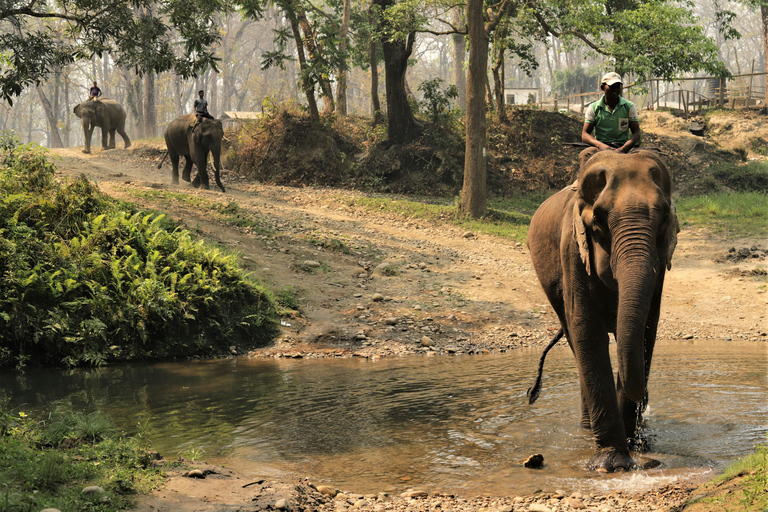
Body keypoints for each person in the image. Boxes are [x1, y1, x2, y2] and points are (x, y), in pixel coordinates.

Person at [582, 72, 640, 153]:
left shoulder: (629, 106)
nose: (615, 89)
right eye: (612, 86)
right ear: (603, 87)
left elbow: (636, 133)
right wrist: (600, 145)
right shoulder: (593, 108)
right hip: (600, 147)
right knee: (584, 154)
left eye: (618, 86)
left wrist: (623, 149)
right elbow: (585, 134)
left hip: (623, 146)